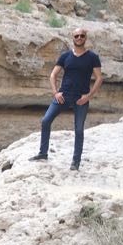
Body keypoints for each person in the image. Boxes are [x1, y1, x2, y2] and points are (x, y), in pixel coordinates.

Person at [29, 28, 103, 171]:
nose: (79, 38)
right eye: (77, 36)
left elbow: (99, 78)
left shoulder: (92, 57)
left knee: (79, 130)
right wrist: (55, 92)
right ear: (73, 38)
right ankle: (43, 153)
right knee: (46, 121)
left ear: (85, 38)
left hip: (81, 98)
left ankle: (76, 162)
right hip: (63, 96)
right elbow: (53, 75)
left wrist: (88, 96)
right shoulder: (65, 56)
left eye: (82, 36)